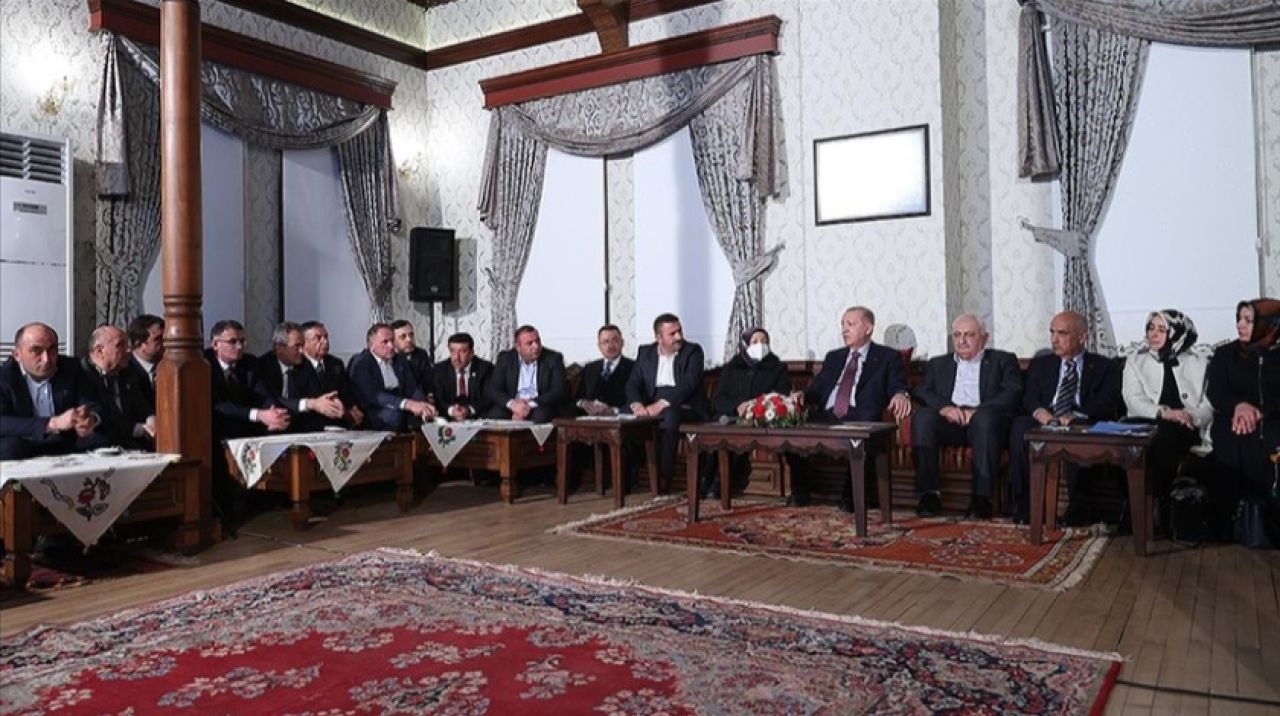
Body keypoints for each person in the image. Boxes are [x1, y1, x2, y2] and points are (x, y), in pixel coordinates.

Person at [1008, 310, 1122, 525]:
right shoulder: (1041, 364)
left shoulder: (1105, 367)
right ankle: (1026, 505)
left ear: (1082, 337)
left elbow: (1107, 402)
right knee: (1020, 426)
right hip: (1046, 417)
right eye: (1052, 332)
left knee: (1081, 428)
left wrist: (1075, 415)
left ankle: (1078, 507)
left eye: (1062, 333)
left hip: (1079, 418)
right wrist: (1040, 413)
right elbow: (1029, 397)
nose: (1054, 339)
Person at [792, 306, 911, 511]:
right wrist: (801, 395)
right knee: (790, 426)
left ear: (868, 328)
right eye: (843, 325)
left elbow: (896, 384)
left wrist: (900, 394)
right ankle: (801, 488)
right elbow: (816, 389)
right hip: (828, 413)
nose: (844, 330)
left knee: (866, 426)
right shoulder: (834, 357)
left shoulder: (887, 357)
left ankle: (852, 495)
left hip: (861, 414)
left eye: (851, 324)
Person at [912, 314, 1022, 519]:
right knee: (923, 418)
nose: (961, 341)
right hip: (951, 422)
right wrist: (944, 408)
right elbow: (921, 391)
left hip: (985, 423)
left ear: (984, 338)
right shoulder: (938, 364)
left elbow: (1012, 392)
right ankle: (929, 495)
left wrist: (978, 411)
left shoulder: (1003, 361)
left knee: (984, 420)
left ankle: (981, 499)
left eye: (969, 335)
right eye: (957, 335)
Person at [1122, 309, 1213, 531]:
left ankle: (1154, 504)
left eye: (1162, 330)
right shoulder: (1135, 361)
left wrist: (1190, 416)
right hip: (1146, 420)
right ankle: (1135, 507)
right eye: (1151, 328)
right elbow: (1133, 399)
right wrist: (1164, 412)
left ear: (1178, 333)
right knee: (1131, 438)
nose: (1153, 334)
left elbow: (1209, 406)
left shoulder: (1200, 363)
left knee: (1165, 436)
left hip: (1185, 425)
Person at [1207, 299, 1280, 531]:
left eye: (1249, 320)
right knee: (1232, 439)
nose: (1240, 325)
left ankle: (1268, 523)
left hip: (1271, 419)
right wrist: (1238, 406)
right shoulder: (1225, 354)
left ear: (1269, 324)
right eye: (1239, 319)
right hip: (1232, 418)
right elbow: (1215, 391)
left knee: (1269, 440)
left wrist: (1260, 412)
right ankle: (1232, 523)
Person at [704, 326, 791, 497]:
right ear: (745, 345)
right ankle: (705, 480)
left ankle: (721, 483)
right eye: (755, 341)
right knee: (716, 434)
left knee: (739, 434)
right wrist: (737, 406)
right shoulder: (733, 367)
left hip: (759, 416)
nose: (760, 345)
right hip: (730, 415)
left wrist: (754, 406)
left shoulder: (777, 368)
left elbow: (781, 396)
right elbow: (719, 398)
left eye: (764, 341)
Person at [626, 313, 709, 492]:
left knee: (669, 417)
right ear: (659, 337)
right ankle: (628, 477)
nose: (678, 337)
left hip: (685, 404)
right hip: (651, 402)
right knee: (624, 415)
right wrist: (636, 405)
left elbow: (688, 385)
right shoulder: (645, 352)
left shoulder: (693, 351)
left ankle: (664, 480)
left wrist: (662, 403)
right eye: (672, 334)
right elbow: (633, 384)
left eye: (679, 331)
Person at [0, 322, 104, 459]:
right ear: (17, 355)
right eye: (36, 351)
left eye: (52, 349)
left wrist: (89, 418)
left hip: (64, 439)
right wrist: (50, 423)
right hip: (25, 440)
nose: (46, 359)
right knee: (10, 448)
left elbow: (92, 403)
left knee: (102, 438)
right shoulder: (4, 377)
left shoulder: (71, 368)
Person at [206, 319, 289, 441]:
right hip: (216, 432)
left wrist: (274, 414)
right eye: (232, 341)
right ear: (215, 344)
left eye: (242, 341)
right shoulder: (204, 364)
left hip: (246, 431)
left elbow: (263, 394)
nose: (239, 346)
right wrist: (259, 415)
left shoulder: (250, 362)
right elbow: (218, 406)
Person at [257, 322, 346, 433]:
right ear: (279, 347)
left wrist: (330, 404)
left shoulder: (305, 365)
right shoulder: (262, 366)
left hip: (298, 428)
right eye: (297, 346)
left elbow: (315, 398)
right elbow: (272, 401)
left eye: (302, 345)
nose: (301, 351)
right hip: (266, 429)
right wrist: (310, 403)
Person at [347, 323, 436, 431]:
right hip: (374, 408)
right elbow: (373, 396)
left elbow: (411, 389)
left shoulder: (399, 360)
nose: (391, 346)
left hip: (399, 403)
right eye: (385, 342)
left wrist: (423, 406)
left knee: (426, 415)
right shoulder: (361, 363)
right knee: (394, 416)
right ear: (372, 345)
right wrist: (408, 404)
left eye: (392, 340)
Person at [81, 324, 155, 449]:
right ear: (99, 351)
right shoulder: (82, 376)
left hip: (132, 446)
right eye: (120, 345)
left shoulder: (129, 371)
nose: (128, 350)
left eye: (128, 345)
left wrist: (151, 419)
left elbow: (140, 405)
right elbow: (100, 418)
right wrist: (138, 429)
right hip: (99, 447)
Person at [485, 325, 567, 423]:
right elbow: (494, 389)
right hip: (514, 404)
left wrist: (529, 404)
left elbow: (559, 391)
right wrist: (513, 404)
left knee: (541, 416)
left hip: (539, 404)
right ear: (518, 347)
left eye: (537, 341)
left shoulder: (553, 358)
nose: (536, 346)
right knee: (495, 415)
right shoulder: (505, 358)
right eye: (529, 343)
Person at [299, 320, 364, 427]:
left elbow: (346, 392)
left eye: (326, 337)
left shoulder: (335, 364)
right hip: (309, 422)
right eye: (318, 338)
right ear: (303, 343)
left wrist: (353, 408)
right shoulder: (297, 365)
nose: (325, 341)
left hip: (337, 421)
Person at [432, 332, 493, 421]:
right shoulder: (440, 369)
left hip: (477, 417)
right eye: (453, 351)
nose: (456, 357)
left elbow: (488, 398)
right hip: (448, 418)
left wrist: (469, 410)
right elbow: (438, 398)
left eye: (462, 351)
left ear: (471, 353)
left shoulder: (485, 368)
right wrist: (451, 410)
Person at [575, 324, 634, 417]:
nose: (610, 346)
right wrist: (583, 403)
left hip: (620, 420)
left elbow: (637, 401)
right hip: (590, 420)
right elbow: (577, 397)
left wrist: (613, 411)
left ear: (622, 343)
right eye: (606, 342)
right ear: (599, 346)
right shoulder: (590, 368)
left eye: (615, 340)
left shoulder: (634, 368)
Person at [126, 313, 164, 410]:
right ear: (139, 343)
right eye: (158, 339)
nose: (164, 342)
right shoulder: (125, 370)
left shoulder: (167, 366)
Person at [391, 319, 435, 398]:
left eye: (411, 335)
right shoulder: (389, 359)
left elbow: (429, 381)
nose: (409, 339)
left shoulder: (421, 354)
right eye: (403, 337)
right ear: (393, 341)